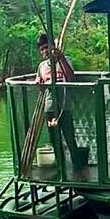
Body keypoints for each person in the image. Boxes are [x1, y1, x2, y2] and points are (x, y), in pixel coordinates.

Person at [35, 34, 83, 171]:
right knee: (55, 141)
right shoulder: (42, 66)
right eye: (42, 49)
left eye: (47, 48)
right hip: (50, 107)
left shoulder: (65, 60)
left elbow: (71, 78)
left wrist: (61, 58)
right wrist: (39, 84)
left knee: (69, 138)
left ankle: (77, 167)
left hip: (65, 107)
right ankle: (61, 169)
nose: (45, 51)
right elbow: (41, 87)